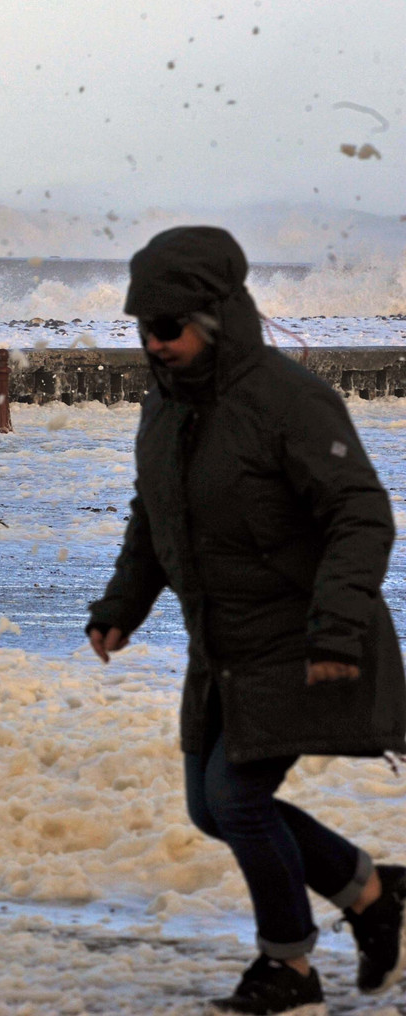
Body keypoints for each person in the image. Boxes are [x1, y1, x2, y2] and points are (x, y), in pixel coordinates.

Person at [86, 226, 406, 1015]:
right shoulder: (166, 407)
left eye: (168, 329)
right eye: (143, 329)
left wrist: (335, 628)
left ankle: (289, 971)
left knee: (236, 796)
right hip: (222, 642)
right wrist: (122, 606)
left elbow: (360, 513)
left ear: (217, 317)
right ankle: (372, 894)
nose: (154, 346)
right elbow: (154, 517)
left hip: (303, 636)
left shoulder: (286, 399)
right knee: (210, 805)